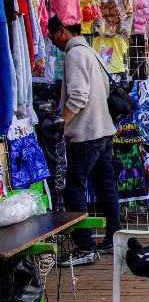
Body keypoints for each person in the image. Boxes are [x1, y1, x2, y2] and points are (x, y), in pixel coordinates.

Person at [48, 16, 120, 267]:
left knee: (73, 188)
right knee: (104, 184)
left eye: (51, 35)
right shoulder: (91, 51)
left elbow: (78, 96)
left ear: (61, 31)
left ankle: (85, 246)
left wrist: (61, 123)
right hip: (103, 130)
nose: (52, 42)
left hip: (87, 133)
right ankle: (114, 236)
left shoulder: (74, 54)